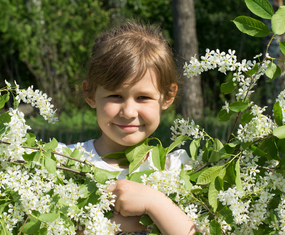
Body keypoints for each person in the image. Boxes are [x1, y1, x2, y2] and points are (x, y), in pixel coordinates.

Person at [69, 20, 196, 235]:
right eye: (115, 96)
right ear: (90, 94)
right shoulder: (65, 161)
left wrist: (155, 204)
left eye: (143, 97)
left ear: (168, 96)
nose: (128, 111)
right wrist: (119, 224)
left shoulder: (178, 169)